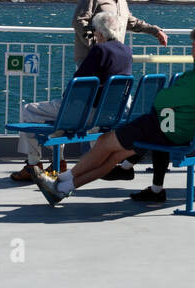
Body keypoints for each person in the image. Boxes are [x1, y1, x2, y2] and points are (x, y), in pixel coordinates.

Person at [33, 25, 195, 204]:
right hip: (189, 132)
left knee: (105, 142)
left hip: (168, 131)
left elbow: (161, 100)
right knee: (114, 155)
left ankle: (61, 179)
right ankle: (62, 189)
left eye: (193, 46)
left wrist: (170, 101)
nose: (191, 50)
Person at [10, 12, 133, 182]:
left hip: (86, 112)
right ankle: (58, 162)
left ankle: (33, 164)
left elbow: (78, 83)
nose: (95, 34)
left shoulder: (100, 50)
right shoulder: (126, 51)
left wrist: (65, 98)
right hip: (108, 114)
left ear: (100, 33)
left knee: (29, 110)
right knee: (58, 120)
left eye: (95, 31)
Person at [71, 0, 168, 63]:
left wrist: (156, 31)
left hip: (114, 57)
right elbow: (79, 22)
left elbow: (132, 23)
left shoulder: (122, 1)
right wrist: (96, 45)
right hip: (92, 58)